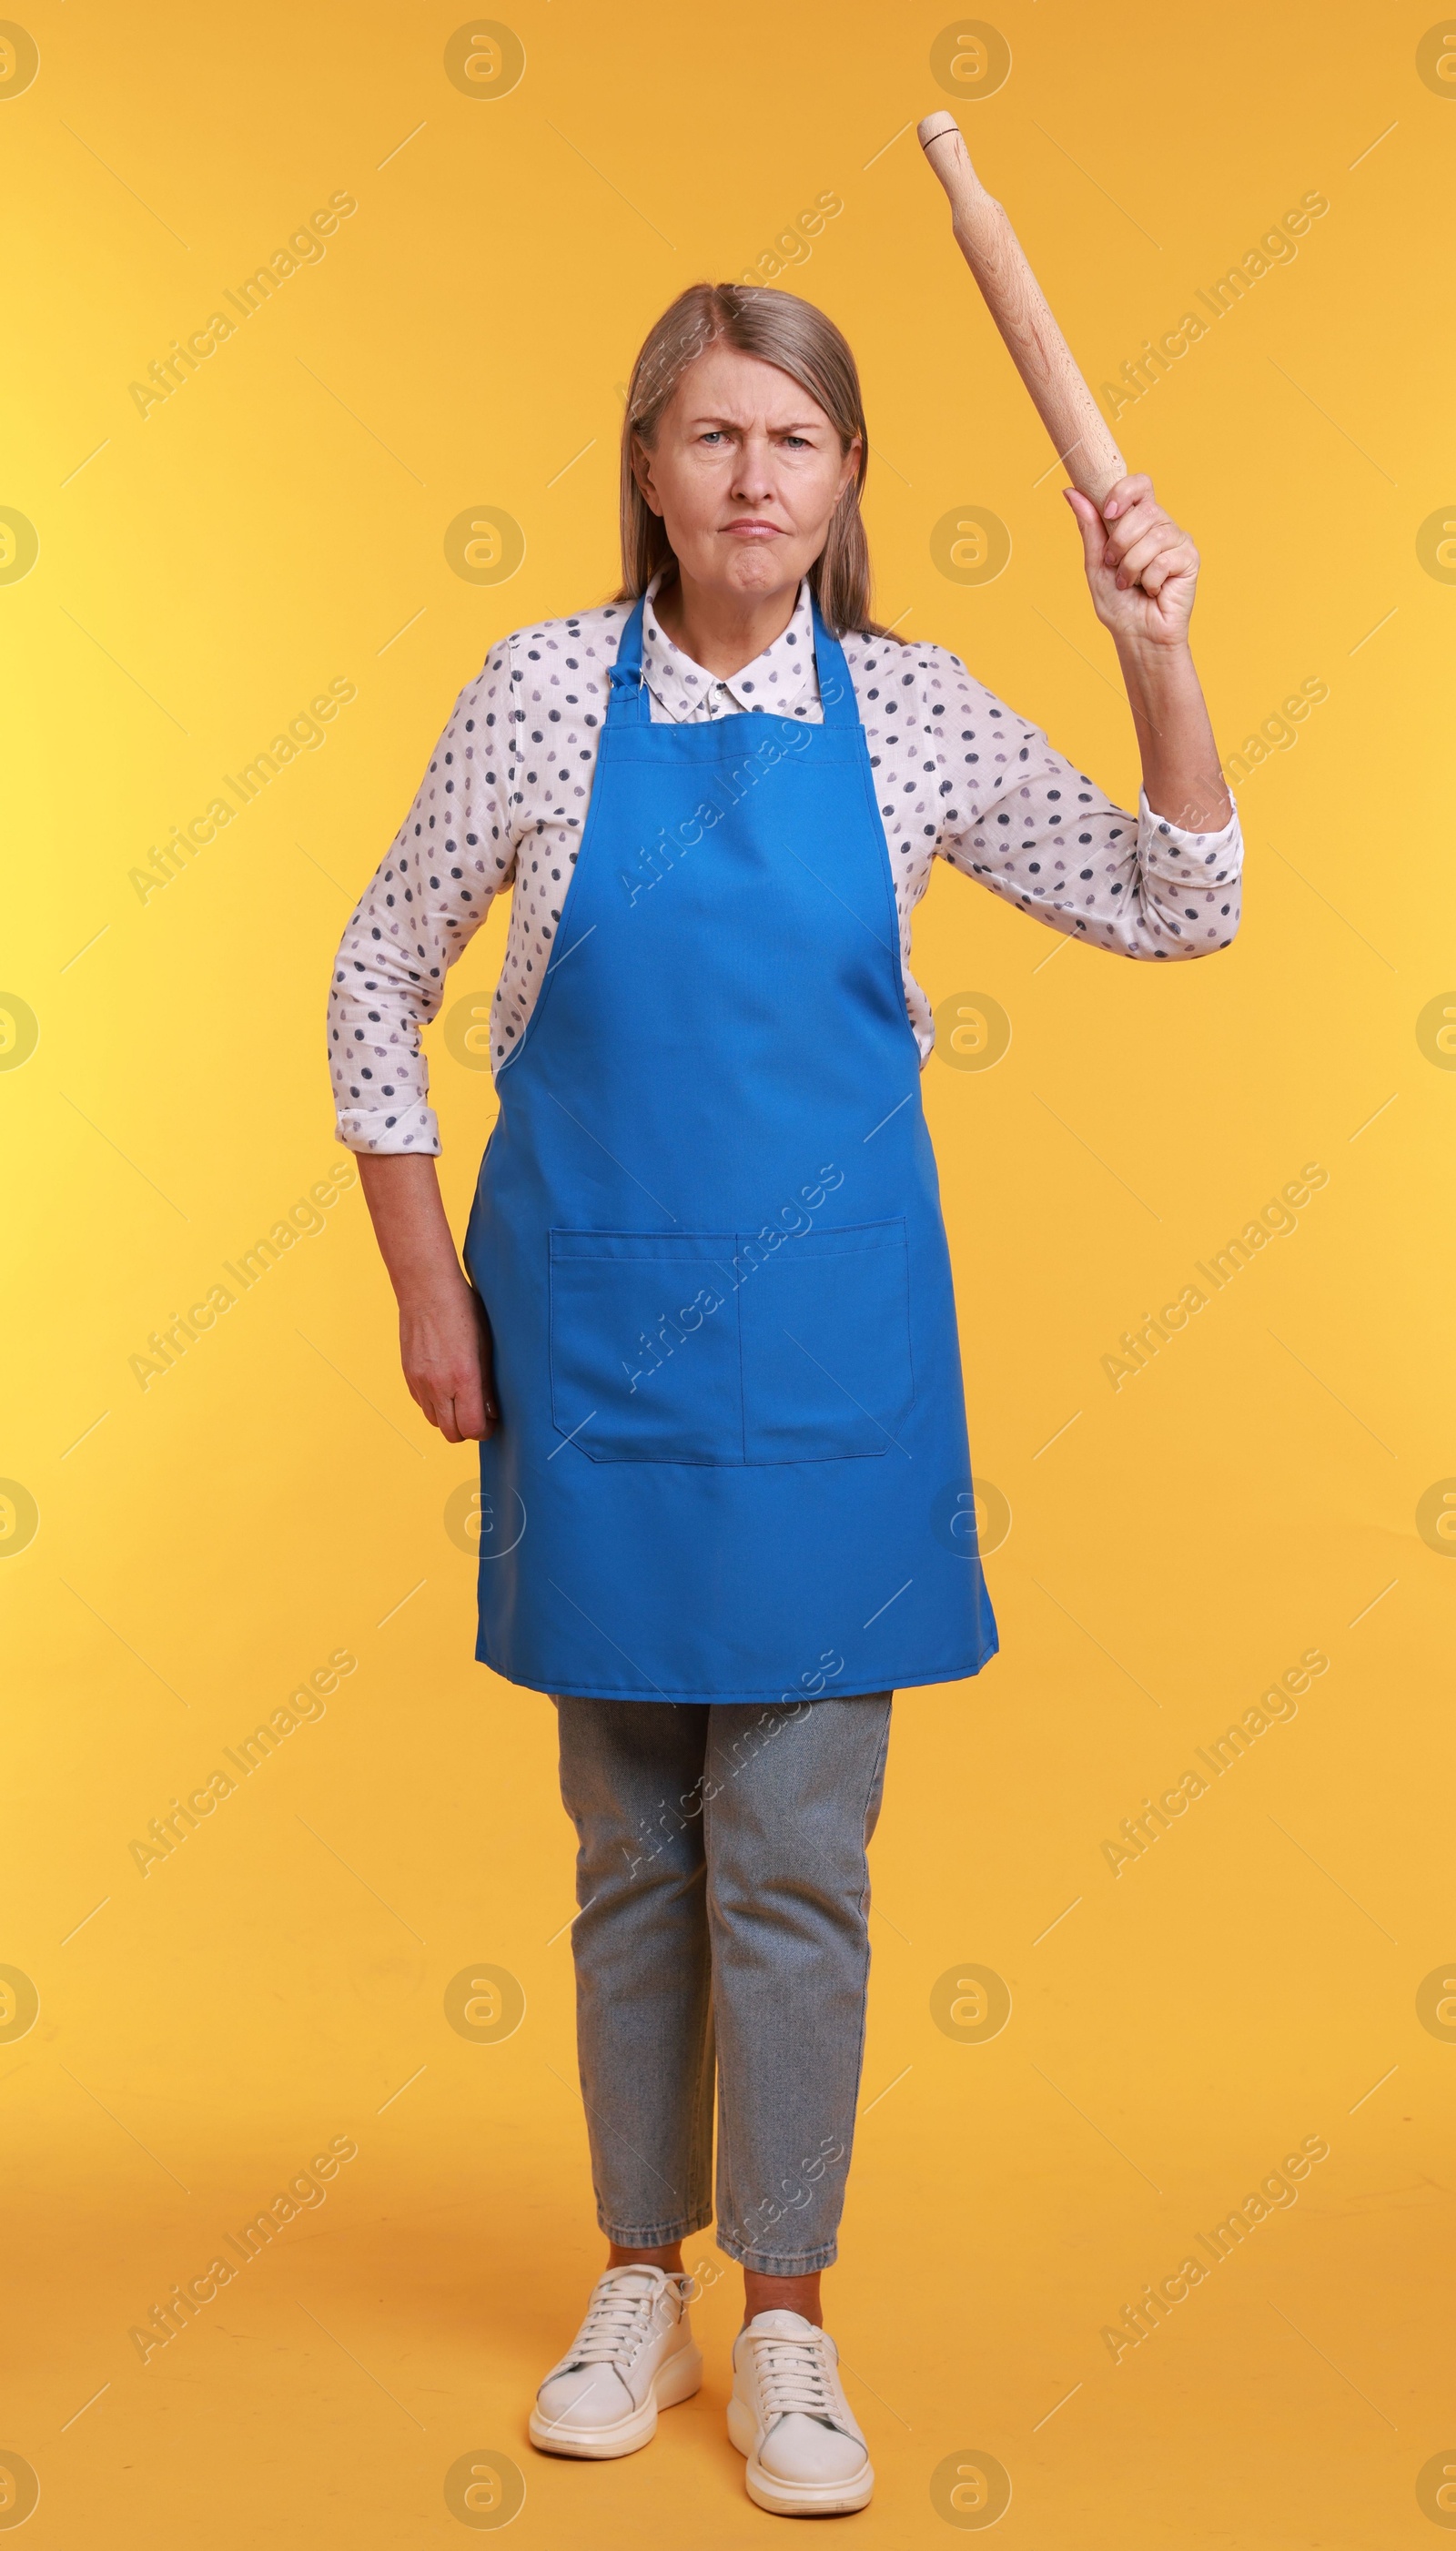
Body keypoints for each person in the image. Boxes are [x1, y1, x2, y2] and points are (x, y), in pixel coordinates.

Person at [327, 282, 1240, 2519]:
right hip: (593, 1367)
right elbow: (375, 969)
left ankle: (791, 2317)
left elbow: (1175, 898)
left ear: (844, 483)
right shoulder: (539, 695)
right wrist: (427, 1291)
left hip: (834, 1373)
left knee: (794, 1865)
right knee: (631, 1856)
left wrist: (1155, 653)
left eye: (795, 443)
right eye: (712, 435)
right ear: (644, 460)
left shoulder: (910, 720)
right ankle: (634, 2274)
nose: (752, 477)